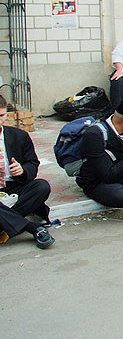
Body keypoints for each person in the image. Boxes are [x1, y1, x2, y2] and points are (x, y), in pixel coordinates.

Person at [0, 96, 54, 248]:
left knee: (42, 186)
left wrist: (22, 170)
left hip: (13, 188)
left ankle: (5, 223)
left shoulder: (18, 136)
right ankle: (33, 228)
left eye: (2, 116)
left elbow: (33, 163)